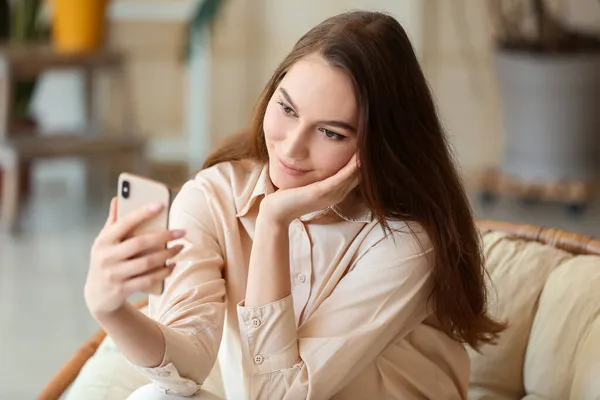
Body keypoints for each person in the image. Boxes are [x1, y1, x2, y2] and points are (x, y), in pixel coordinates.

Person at [83, 10, 505, 400]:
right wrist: (110, 309)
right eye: (286, 108)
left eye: (331, 133)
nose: (291, 146)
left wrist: (272, 222)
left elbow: (279, 396)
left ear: (379, 145)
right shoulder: (213, 197)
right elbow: (188, 362)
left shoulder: (405, 240)